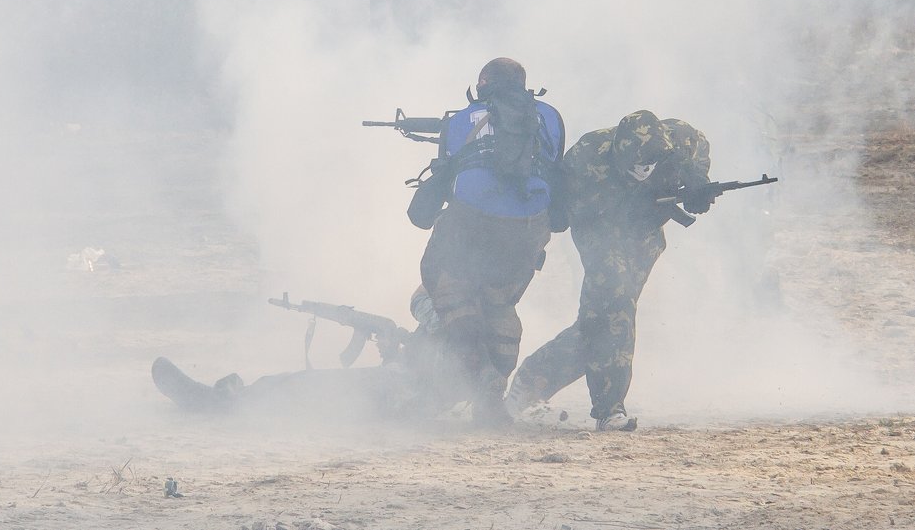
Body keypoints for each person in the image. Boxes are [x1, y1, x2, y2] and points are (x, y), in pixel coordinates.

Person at [507, 109, 712, 431]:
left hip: (644, 234)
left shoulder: (684, 139)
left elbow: (698, 158)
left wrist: (698, 183)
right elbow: (562, 211)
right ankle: (609, 409)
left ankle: (534, 377)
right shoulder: (587, 154)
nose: (641, 171)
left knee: (599, 320)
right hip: (599, 231)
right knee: (616, 308)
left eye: (649, 165)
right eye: (633, 166)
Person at [414, 58, 565, 426]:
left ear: (482, 84)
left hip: (472, 222)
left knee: (446, 284)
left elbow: (449, 173)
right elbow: (555, 166)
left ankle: (474, 373)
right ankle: (491, 397)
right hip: (529, 229)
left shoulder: (461, 119)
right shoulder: (551, 117)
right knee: (499, 302)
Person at [151, 286, 463, 422]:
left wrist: (393, 353)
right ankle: (232, 396)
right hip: (393, 390)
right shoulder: (465, 323)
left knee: (300, 389)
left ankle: (211, 403)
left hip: (393, 393)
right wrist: (393, 351)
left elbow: (423, 379)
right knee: (295, 386)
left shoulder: (448, 320)